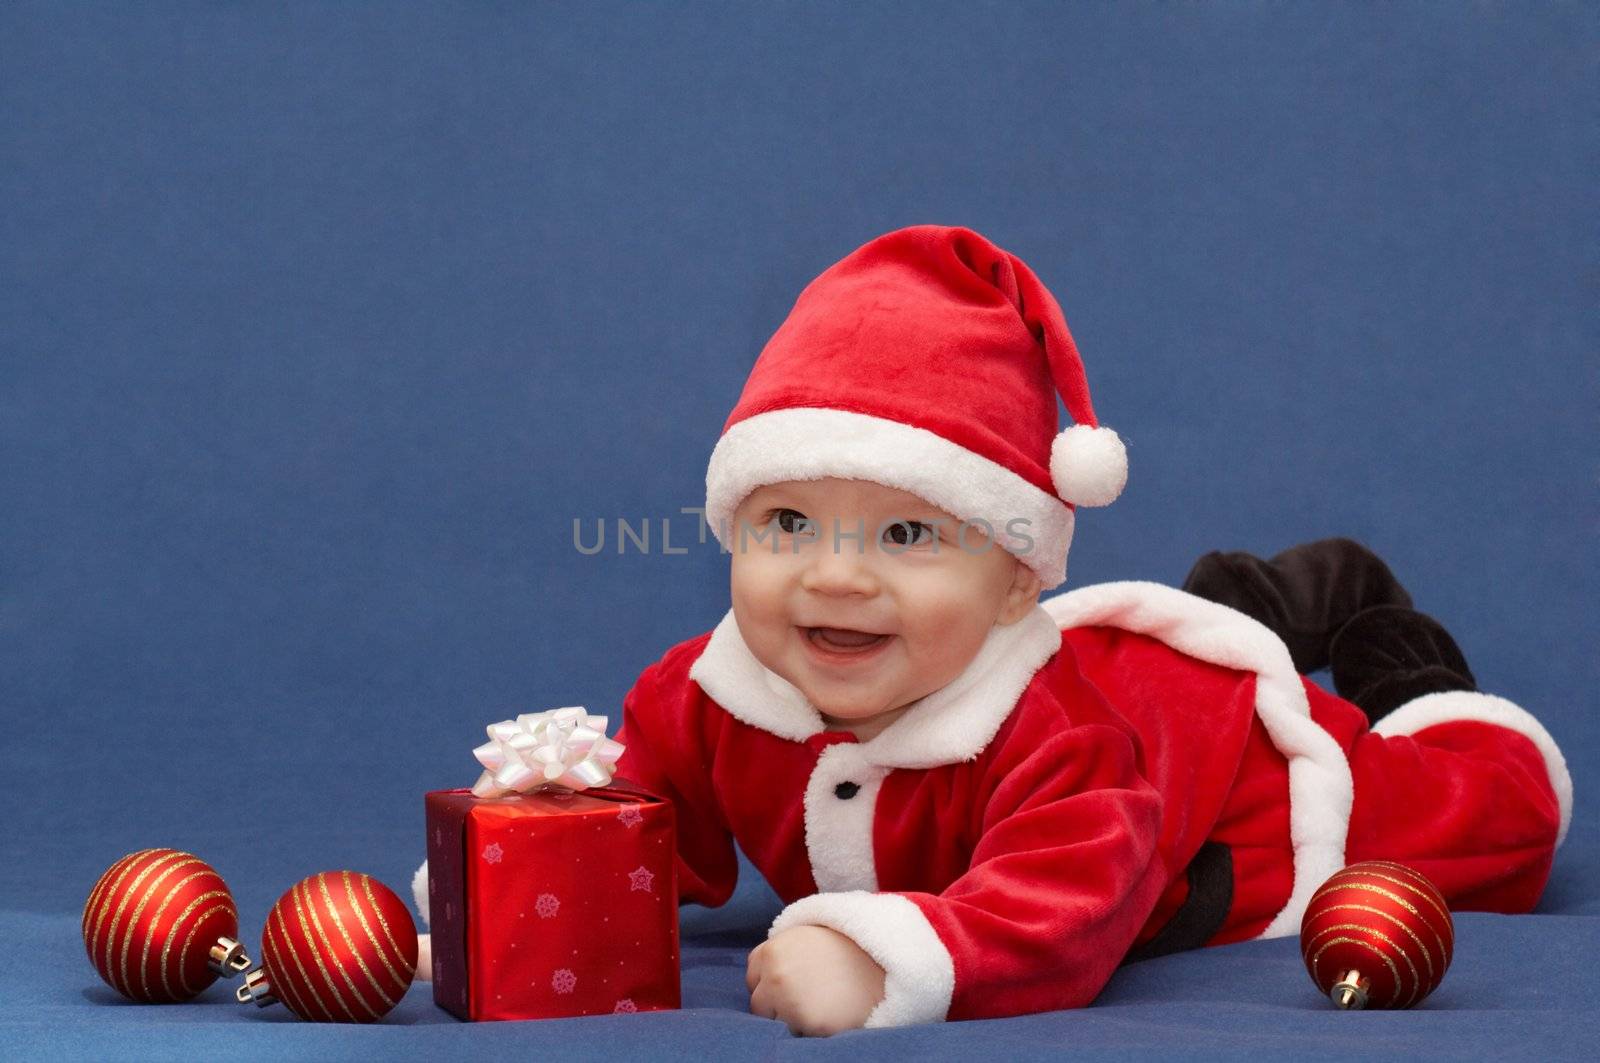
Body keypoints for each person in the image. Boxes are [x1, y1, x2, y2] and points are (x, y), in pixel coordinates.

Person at [415, 225, 1571, 1035]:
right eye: (785, 522)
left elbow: (1066, 905)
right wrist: (508, 904)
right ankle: (1261, 593)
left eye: (907, 537)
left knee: (1496, 813)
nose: (834, 576)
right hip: (1117, 672)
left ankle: (1387, 645)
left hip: (1230, 772)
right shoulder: (707, 695)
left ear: (1019, 580)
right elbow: (643, 829)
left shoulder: (1060, 740)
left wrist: (885, 965)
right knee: (1207, 621)